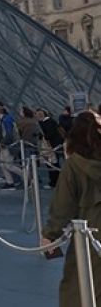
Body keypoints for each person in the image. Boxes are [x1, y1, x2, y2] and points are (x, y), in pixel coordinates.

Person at [42, 111, 101, 307]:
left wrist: (50, 234)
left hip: (89, 232)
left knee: (80, 284)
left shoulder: (75, 164)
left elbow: (63, 205)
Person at [0, 104, 22, 188]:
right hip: (7, 145)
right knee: (3, 164)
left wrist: (1, 143)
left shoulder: (6, 120)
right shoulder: (5, 119)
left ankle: (27, 176)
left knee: (8, 165)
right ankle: (9, 182)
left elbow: (9, 134)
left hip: (9, 145)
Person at [37, 108, 65, 188]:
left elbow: (48, 135)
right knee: (53, 163)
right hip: (53, 145)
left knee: (52, 164)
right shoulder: (50, 121)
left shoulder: (47, 122)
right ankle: (55, 181)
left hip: (52, 146)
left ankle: (54, 182)